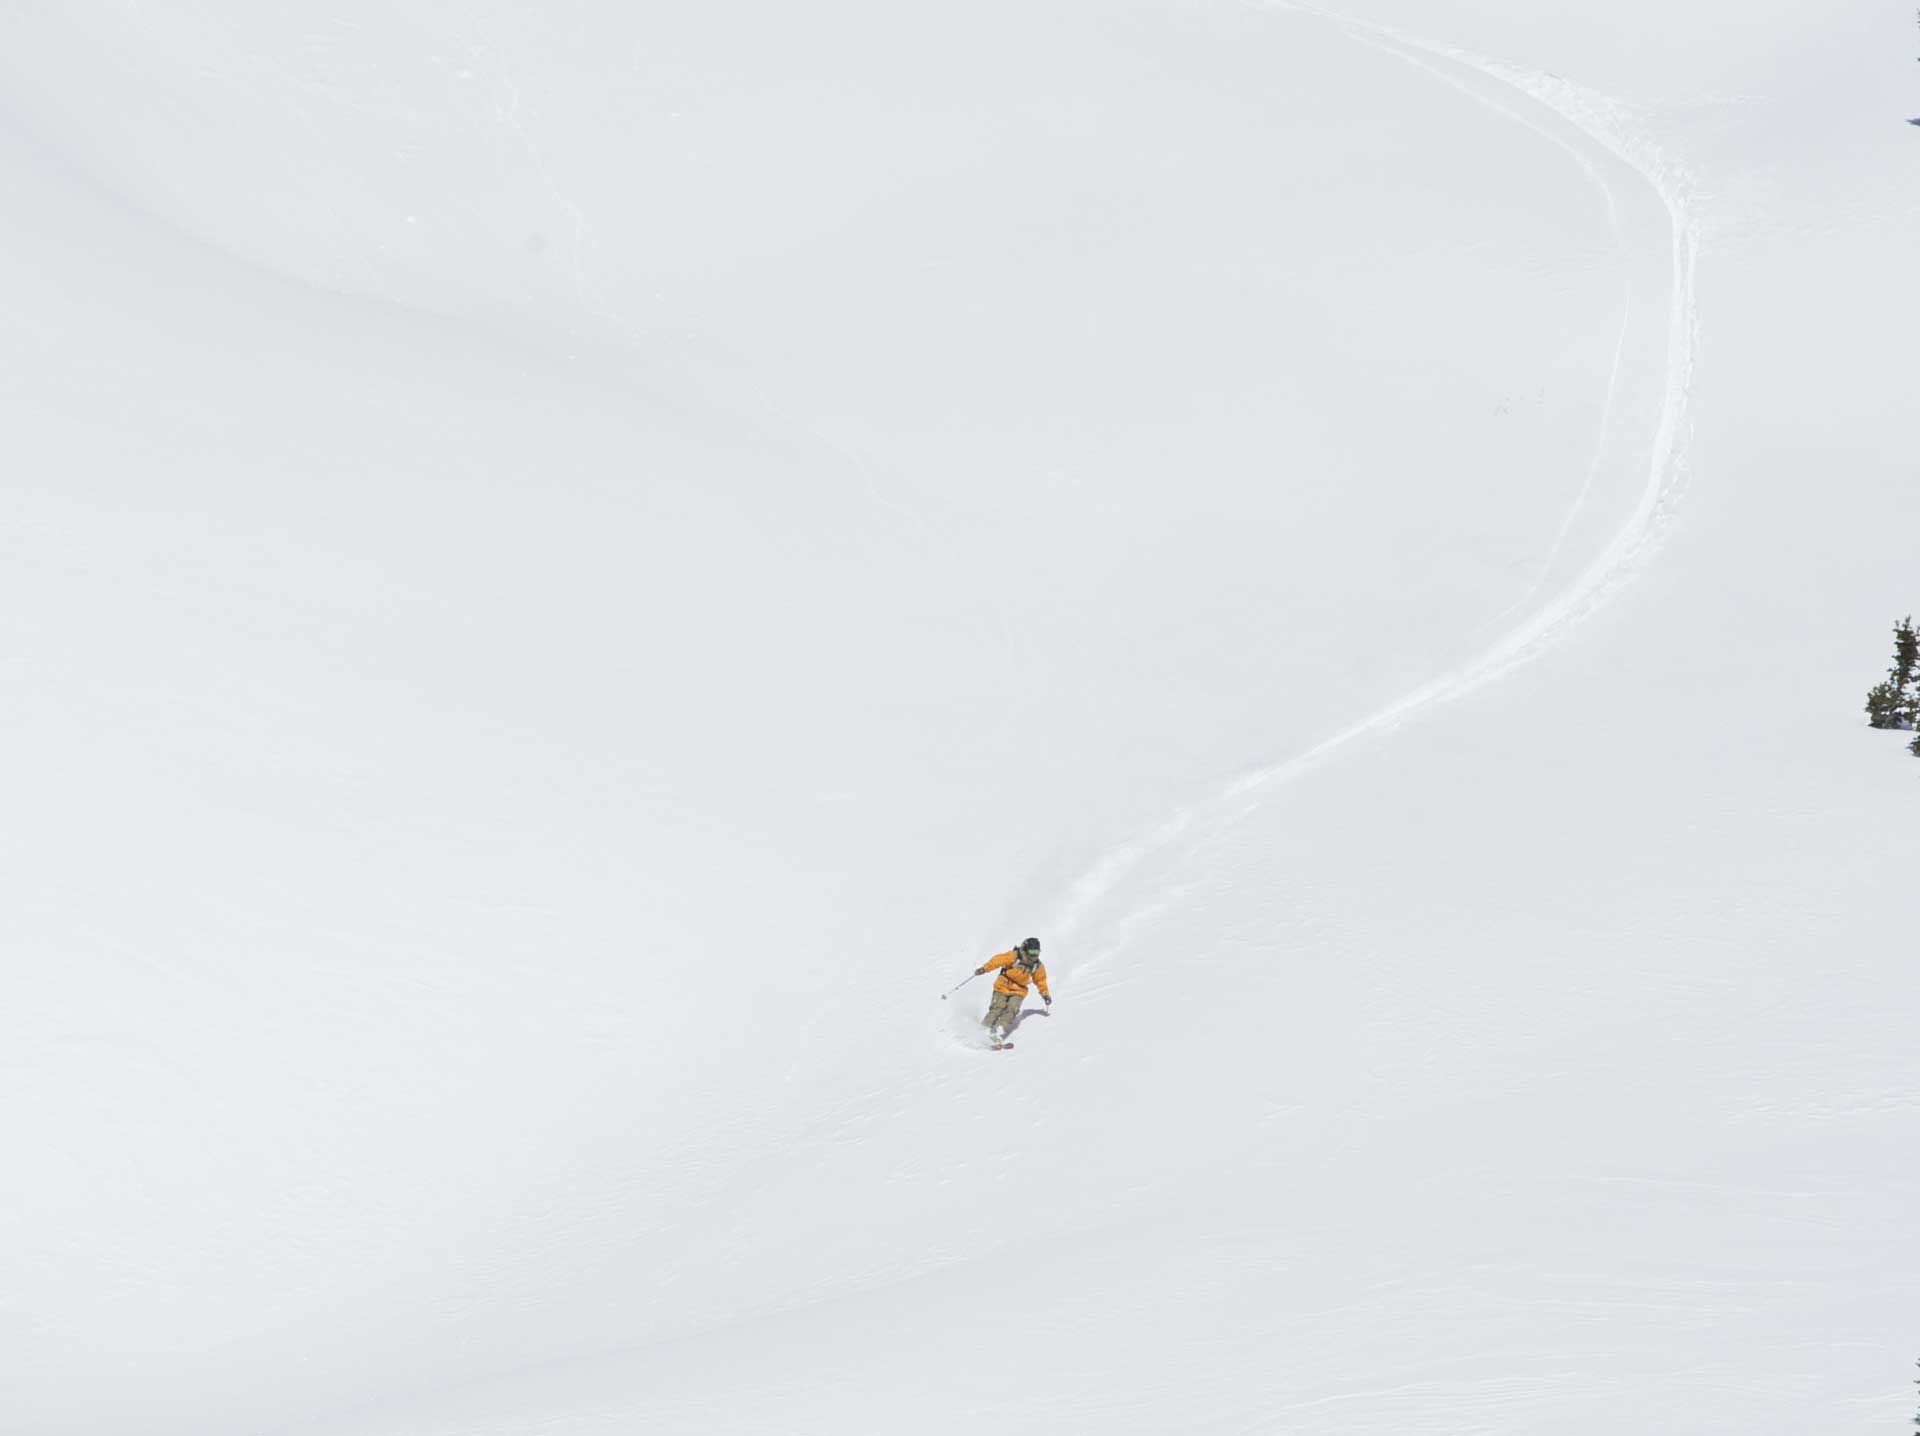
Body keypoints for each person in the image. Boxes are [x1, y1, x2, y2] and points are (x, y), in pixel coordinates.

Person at [976, 937, 1050, 1042]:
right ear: (1025, 948)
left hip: (1019, 990)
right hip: (1003, 985)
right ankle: (984, 1028)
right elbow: (997, 960)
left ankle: (998, 1030)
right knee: (997, 1007)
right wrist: (984, 968)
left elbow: (1041, 980)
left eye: (1036, 952)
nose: (1034, 955)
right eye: (1032, 952)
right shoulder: (1014, 956)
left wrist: (1045, 994)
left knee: (1011, 1010)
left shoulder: (1037, 966)